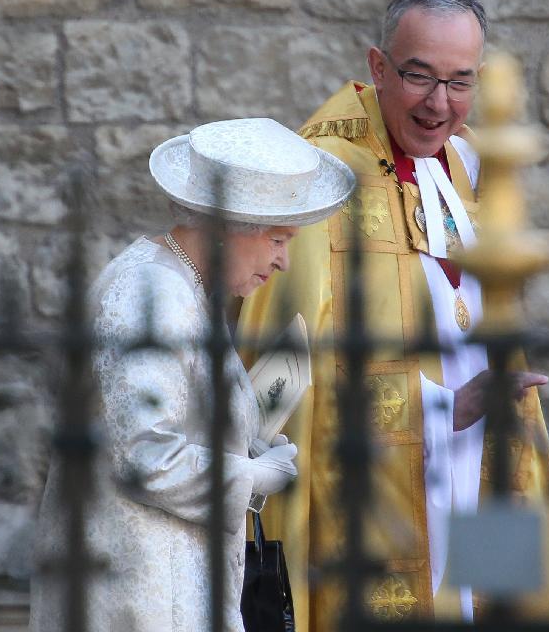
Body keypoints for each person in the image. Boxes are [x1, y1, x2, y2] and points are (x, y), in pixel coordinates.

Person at [237, 0, 549, 628]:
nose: (440, 105)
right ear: (377, 66)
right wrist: (445, 407)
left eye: (461, 82)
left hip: (483, 461)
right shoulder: (319, 180)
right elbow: (285, 386)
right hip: (381, 488)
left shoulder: (466, 163)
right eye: (420, 77)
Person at [29, 118, 356, 632]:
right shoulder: (149, 293)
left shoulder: (186, 288)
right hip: (141, 594)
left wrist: (250, 450)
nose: (284, 262)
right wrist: (251, 476)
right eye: (277, 239)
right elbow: (145, 457)